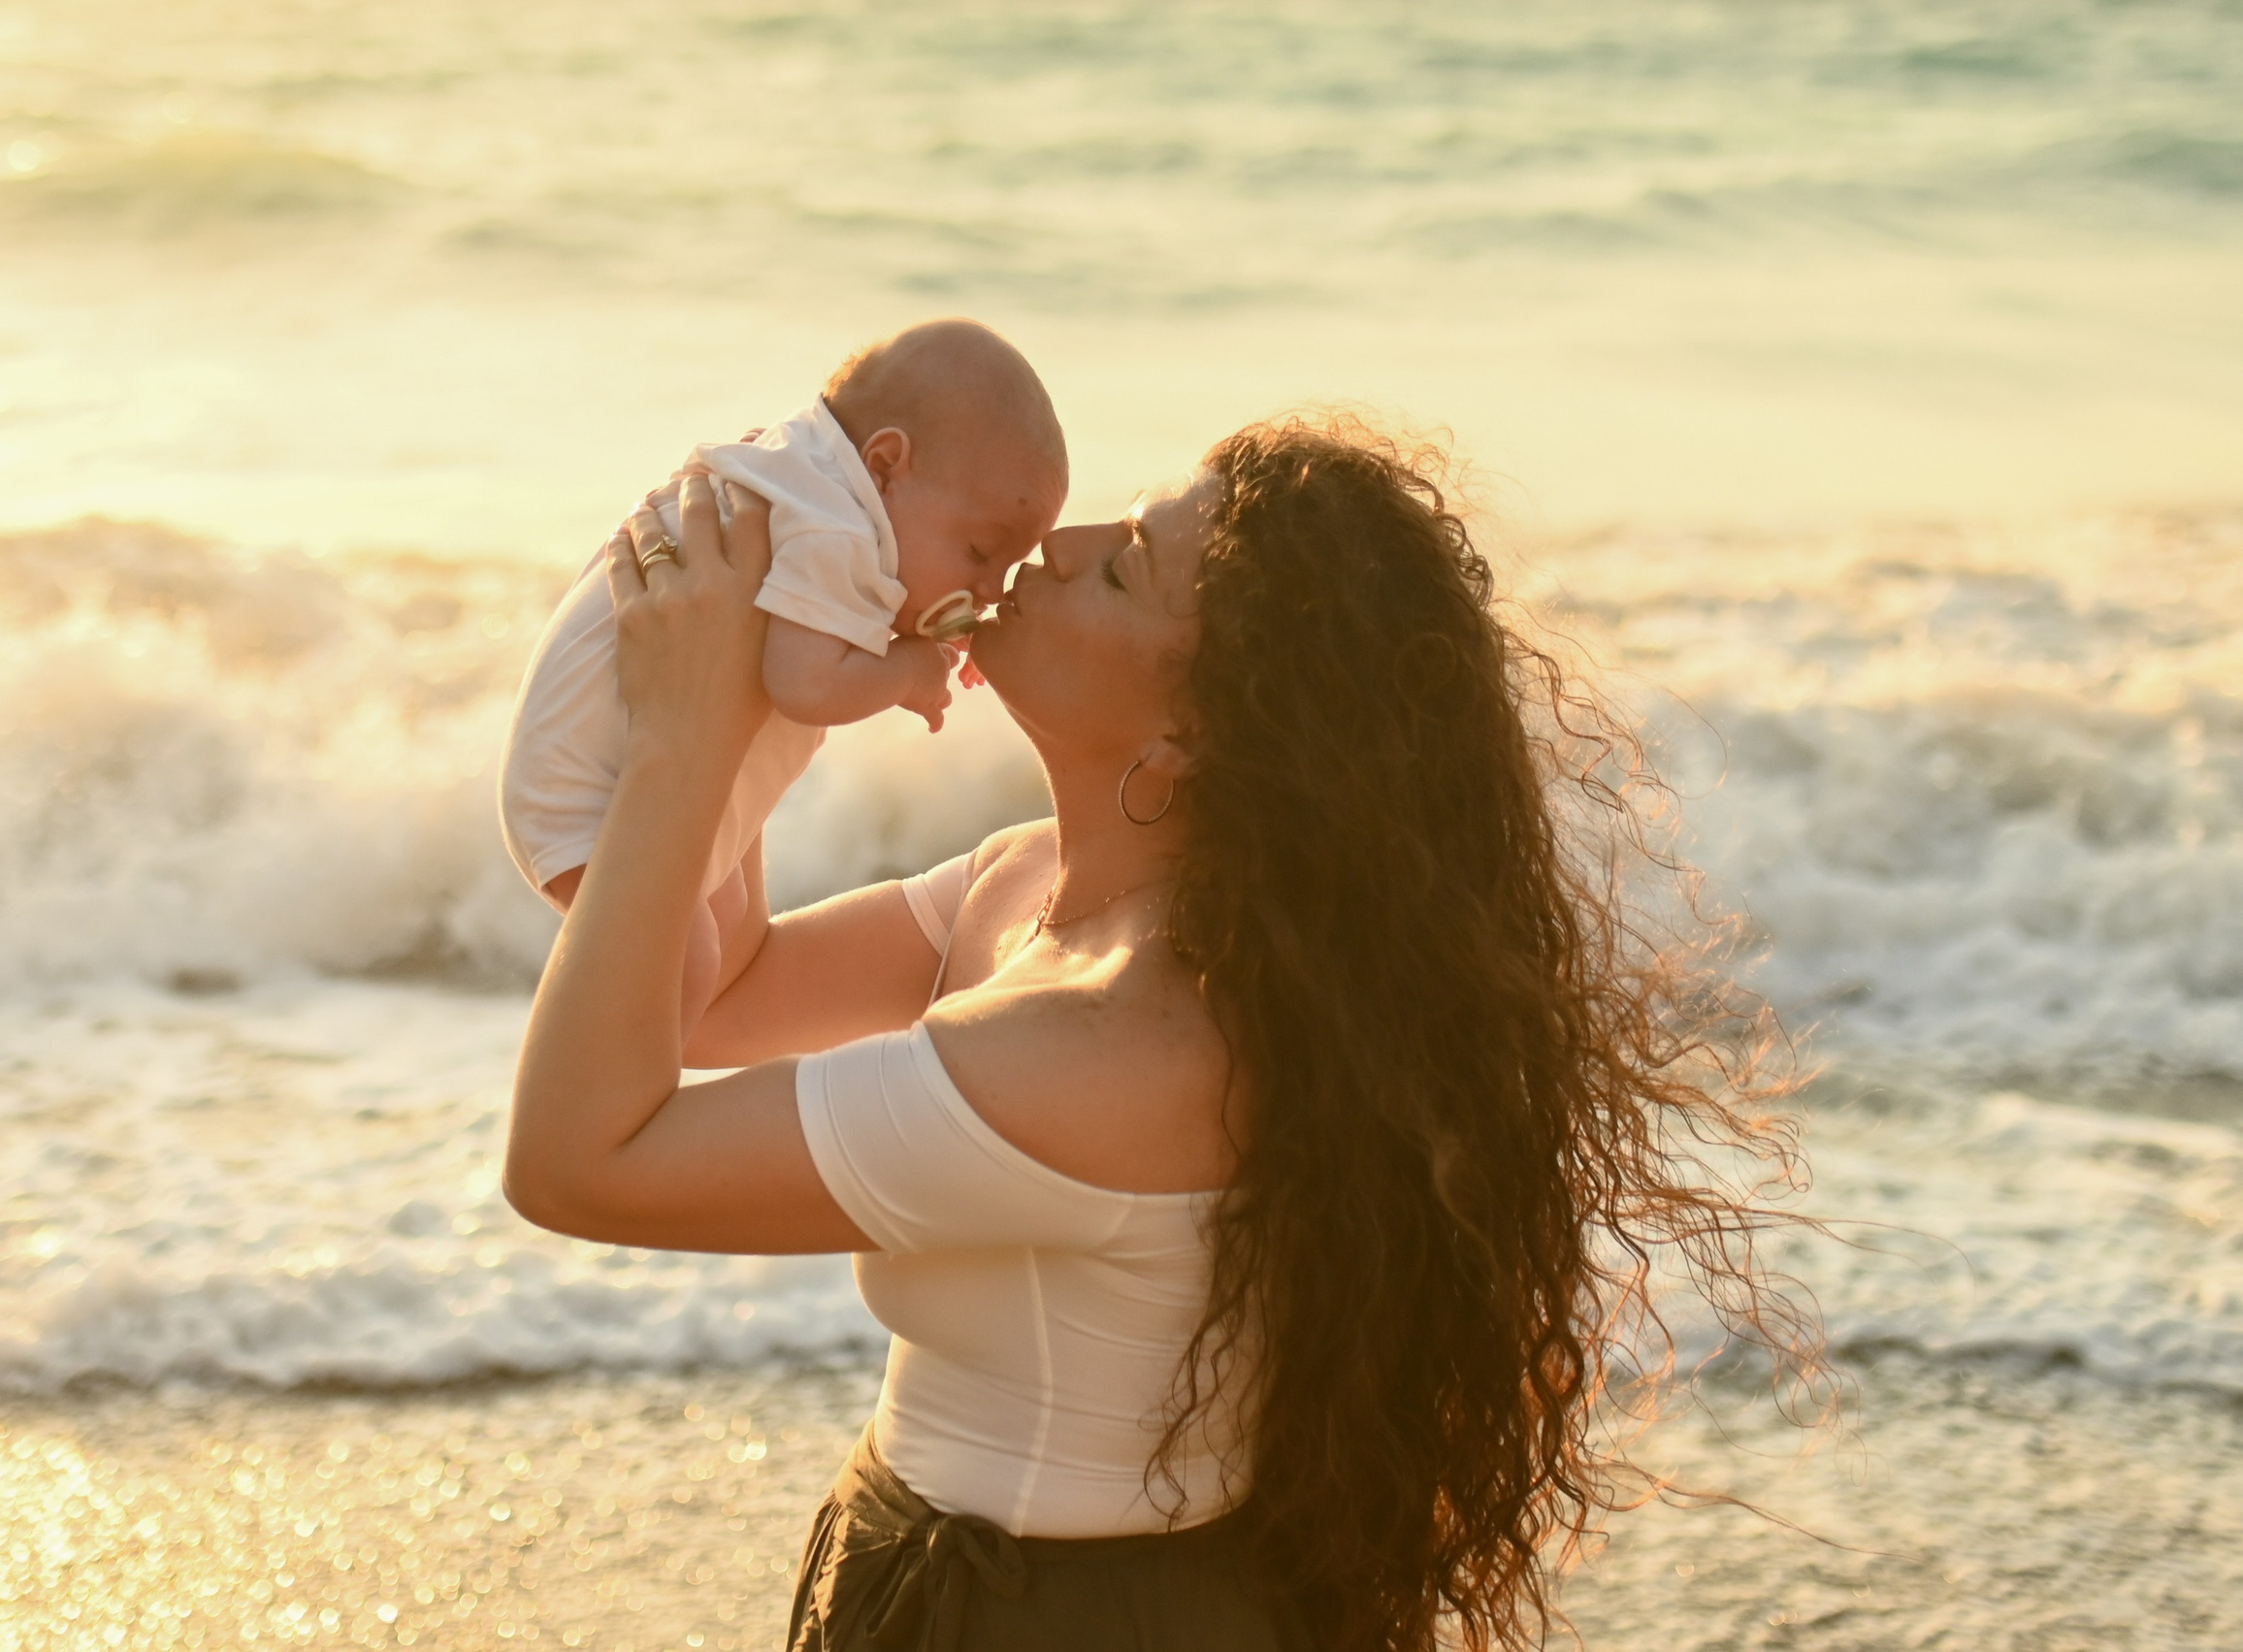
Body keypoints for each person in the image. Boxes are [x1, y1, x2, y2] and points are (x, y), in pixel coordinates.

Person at [503, 417, 1819, 1650]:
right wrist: (747, 716)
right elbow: (719, 989)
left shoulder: (1113, 1045)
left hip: (1061, 1618)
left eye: (1120, 568)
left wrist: (683, 747)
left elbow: (579, 1160)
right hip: (949, 1560)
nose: (1050, 549)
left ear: (1193, 734)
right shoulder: (1037, 889)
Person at [497, 318, 1069, 1030]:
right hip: (594, 803)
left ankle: (622, 1109)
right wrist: (910, 667)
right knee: (681, 974)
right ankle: (620, 1119)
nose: (989, 587)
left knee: (719, 941)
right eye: (981, 551)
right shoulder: (835, 530)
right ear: (887, 464)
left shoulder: (807, 485)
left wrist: (938, 626)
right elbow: (807, 686)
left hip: (599, 782)